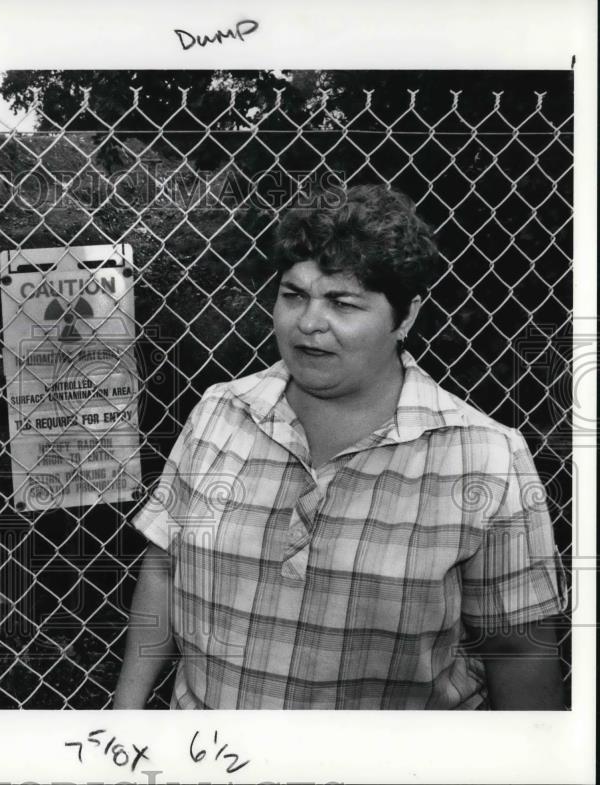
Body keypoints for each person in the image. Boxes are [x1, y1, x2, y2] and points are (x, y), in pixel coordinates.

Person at [113, 184, 567, 710]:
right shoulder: (220, 413)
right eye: (293, 295)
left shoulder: (485, 458)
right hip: (210, 756)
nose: (308, 322)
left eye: (342, 302)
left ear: (406, 317)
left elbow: (518, 649)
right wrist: (126, 718)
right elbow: (164, 568)